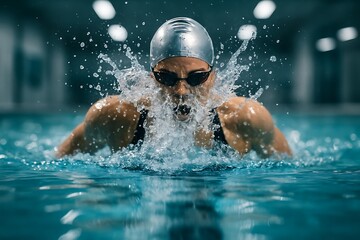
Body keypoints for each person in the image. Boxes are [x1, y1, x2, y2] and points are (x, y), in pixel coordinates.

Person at [56, 17, 292, 158]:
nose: (181, 91)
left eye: (196, 78)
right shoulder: (113, 116)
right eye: (167, 78)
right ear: (152, 79)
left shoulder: (246, 118)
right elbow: (62, 164)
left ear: (212, 78)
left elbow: (287, 176)